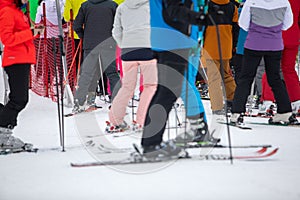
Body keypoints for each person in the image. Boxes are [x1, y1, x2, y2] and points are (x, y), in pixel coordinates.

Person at [141, 0, 212, 159]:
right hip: (174, 41)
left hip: (169, 40)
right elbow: (173, 11)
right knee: (168, 92)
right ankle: (151, 144)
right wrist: (201, 18)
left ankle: (151, 142)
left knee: (165, 91)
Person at [230, 0, 298, 125]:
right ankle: (284, 111)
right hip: (275, 44)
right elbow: (288, 24)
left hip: (254, 43)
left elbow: (243, 23)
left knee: (246, 77)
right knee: (275, 78)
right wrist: (273, 30)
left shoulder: (251, 2)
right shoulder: (284, 2)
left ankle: (237, 112)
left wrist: (257, 29)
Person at [107, 0, 157, 132]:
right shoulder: (152, 5)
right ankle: (141, 121)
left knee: (127, 86)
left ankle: (115, 119)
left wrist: (124, 44)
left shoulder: (122, 7)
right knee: (150, 86)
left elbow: (116, 31)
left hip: (128, 50)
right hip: (148, 47)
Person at [0, 0, 43, 149]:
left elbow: (22, 36)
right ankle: (3, 134)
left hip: (22, 58)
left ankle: (4, 131)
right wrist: (30, 32)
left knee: (18, 99)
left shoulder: (18, 11)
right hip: (15, 59)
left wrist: (34, 32)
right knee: (19, 99)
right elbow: (7, 38)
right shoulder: (7, 11)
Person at [72, 0, 120, 112]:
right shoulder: (113, 5)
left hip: (90, 45)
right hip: (109, 44)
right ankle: (117, 103)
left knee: (86, 74)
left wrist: (83, 36)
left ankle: (80, 102)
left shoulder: (85, 5)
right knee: (112, 73)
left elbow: (77, 25)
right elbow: (119, 25)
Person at [258, 0, 300, 116]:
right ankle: (296, 102)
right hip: (293, 36)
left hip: (276, 35)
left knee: (271, 69)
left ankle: (268, 101)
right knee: (289, 70)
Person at [202, 0, 239, 116]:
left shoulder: (207, 6)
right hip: (226, 46)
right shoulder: (233, 7)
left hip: (210, 46)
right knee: (226, 75)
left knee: (213, 79)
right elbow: (236, 29)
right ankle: (233, 100)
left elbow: (201, 27)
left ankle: (217, 107)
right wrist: (233, 46)